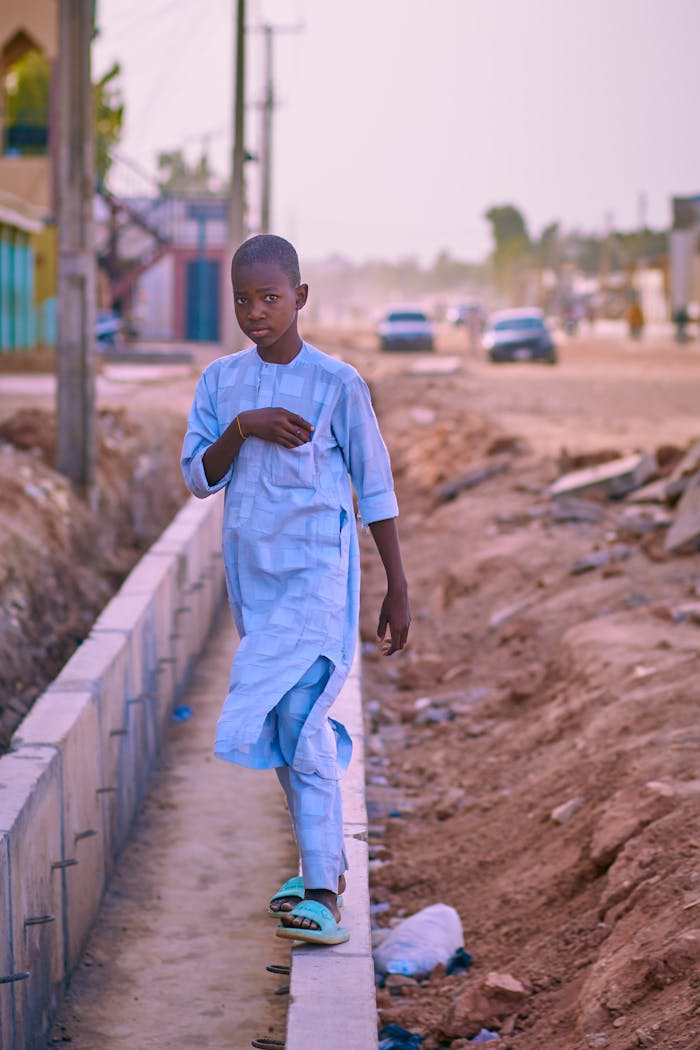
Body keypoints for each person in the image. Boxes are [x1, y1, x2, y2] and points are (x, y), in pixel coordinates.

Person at [181, 234, 411, 946]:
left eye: (271, 298)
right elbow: (196, 476)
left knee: (304, 717)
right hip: (255, 584)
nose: (257, 312)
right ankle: (324, 863)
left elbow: (374, 488)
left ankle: (321, 894)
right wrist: (244, 430)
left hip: (317, 583)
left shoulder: (338, 384)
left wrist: (396, 587)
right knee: (285, 720)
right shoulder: (221, 383)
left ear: (301, 298)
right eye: (244, 299)